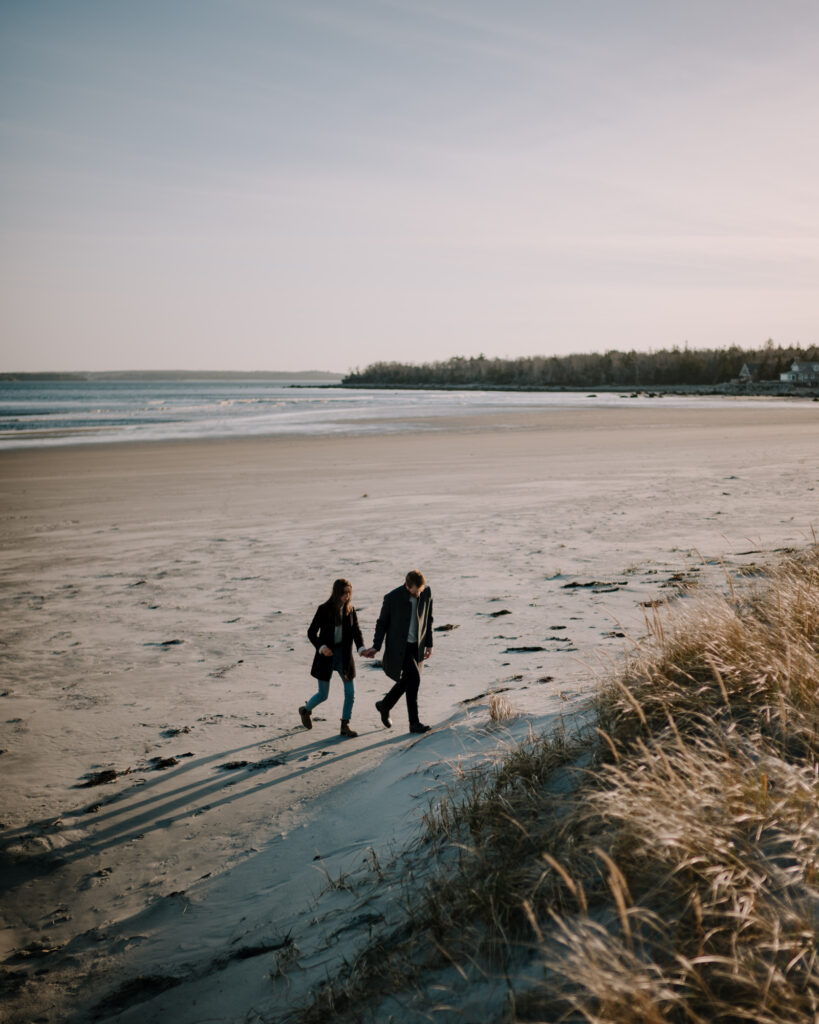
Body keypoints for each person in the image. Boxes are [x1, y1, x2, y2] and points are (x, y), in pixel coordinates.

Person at [361, 569, 433, 734]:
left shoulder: (426, 592)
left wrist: (429, 643)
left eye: (420, 590)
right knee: (414, 679)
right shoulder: (392, 598)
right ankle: (414, 723)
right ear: (407, 586)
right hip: (400, 647)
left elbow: (428, 619)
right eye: (415, 591)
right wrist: (376, 646)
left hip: (417, 646)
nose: (418, 594)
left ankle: (384, 705)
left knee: (408, 680)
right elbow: (382, 624)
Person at [300, 578, 366, 738]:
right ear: (337, 593)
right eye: (344, 593)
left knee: (350, 692)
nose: (347, 596)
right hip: (326, 657)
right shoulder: (323, 609)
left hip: (344, 656)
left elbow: (356, 631)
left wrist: (361, 648)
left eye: (349, 593)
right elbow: (311, 632)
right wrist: (321, 648)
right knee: (323, 695)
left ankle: (345, 724)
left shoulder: (351, 611)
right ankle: (305, 710)